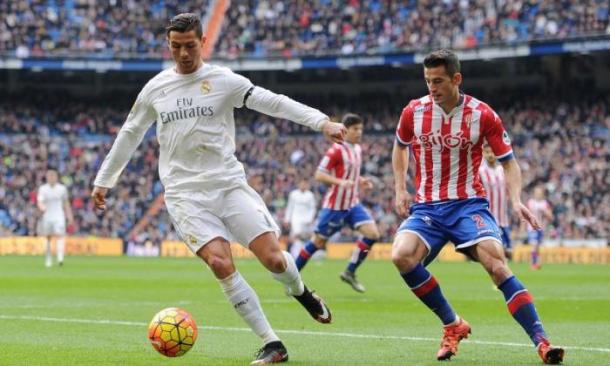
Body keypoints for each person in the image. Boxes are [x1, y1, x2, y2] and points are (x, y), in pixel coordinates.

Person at [91, 13, 345, 365]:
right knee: (219, 262)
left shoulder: (224, 81)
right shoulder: (155, 88)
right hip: (185, 194)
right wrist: (105, 179)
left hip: (228, 185)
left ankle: (299, 291)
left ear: (202, 42)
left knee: (273, 258)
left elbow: (272, 101)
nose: (183, 54)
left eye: (190, 46)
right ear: (169, 45)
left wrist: (320, 121)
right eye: (176, 46)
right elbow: (130, 132)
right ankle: (273, 343)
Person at [391, 49, 564, 364]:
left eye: (439, 80)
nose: (432, 87)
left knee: (498, 266)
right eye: (428, 80)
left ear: (457, 79)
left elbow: (509, 163)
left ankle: (542, 342)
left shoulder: (482, 114)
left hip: (468, 205)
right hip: (427, 208)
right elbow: (400, 146)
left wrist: (515, 200)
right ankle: (452, 324)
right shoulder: (413, 112)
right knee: (400, 255)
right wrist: (400, 188)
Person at [295, 113, 381, 293]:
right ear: (345, 130)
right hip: (335, 206)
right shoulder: (336, 150)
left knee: (373, 234)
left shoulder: (357, 149)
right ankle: (292, 278)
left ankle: (350, 271)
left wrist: (361, 180)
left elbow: (351, 174)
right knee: (317, 243)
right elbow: (319, 174)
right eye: (355, 129)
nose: (359, 133)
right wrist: (340, 182)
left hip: (352, 204)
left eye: (361, 129)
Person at [479, 144, 512, 260]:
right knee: (498, 254)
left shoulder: (502, 170)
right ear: (483, 154)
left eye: (492, 152)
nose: (490, 155)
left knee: (509, 252)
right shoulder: (480, 172)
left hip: (504, 218)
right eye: (487, 152)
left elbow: (509, 189)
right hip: (489, 218)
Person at [37, 169, 74, 267]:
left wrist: (70, 216)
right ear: (47, 177)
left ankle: (60, 258)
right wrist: (42, 207)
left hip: (59, 216)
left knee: (60, 235)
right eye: (49, 176)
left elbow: (66, 203)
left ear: (56, 177)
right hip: (47, 216)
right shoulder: (43, 189)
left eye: (53, 176)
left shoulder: (62, 189)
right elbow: (40, 201)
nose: (51, 178)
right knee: (48, 238)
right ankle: (48, 258)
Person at [283, 179, 317, 259]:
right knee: (296, 235)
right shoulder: (293, 194)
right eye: (302, 184)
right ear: (299, 184)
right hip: (296, 218)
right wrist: (287, 219)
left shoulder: (310, 195)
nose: (303, 186)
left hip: (306, 219)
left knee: (306, 237)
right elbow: (290, 207)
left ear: (307, 185)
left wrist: (311, 218)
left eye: (305, 184)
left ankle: (304, 254)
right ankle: (295, 254)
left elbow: (312, 208)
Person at [526, 186, 553, 270]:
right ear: (534, 194)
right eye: (537, 193)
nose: (538, 195)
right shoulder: (530, 202)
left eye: (540, 193)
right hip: (532, 227)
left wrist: (545, 212)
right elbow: (524, 214)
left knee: (537, 246)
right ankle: (533, 264)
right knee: (534, 245)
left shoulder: (545, 203)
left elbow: (550, 216)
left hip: (541, 228)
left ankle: (536, 263)